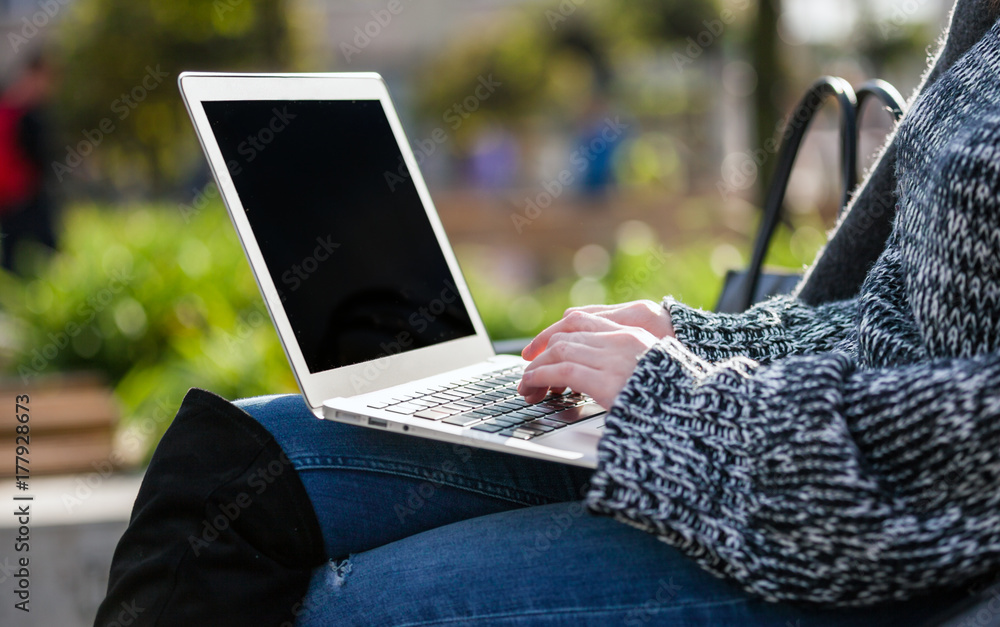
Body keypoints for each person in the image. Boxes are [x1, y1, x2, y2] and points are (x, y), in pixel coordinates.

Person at [96, 0, 1000, 625]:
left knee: (356, 609)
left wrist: (693, 415)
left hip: (892, 538)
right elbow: (899, 322)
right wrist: (702, 339)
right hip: (796, 430)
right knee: (227, 462)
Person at [0, 50, 58, 274]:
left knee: (11, 258)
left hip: (8, 197)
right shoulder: (28, 113)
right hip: (27, 195)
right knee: (49, 249)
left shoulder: (8, 103)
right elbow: (39, 158)